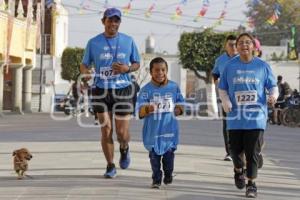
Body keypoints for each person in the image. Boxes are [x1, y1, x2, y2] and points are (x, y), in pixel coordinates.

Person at [80, 7, 140, 178]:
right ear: (103, 21)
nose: (113, 23)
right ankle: (110, 165)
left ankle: (124, 147)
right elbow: (84, 64)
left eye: (116, 20)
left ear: (119, 22)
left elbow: (137, 63)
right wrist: (85, 73)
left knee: (121, 133)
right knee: (106, 128)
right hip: (101, 89)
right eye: (110, 20)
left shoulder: (128, 41)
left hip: (123, 89)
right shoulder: (93, 42)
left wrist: (127, 68)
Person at [218, 33, 278, 198]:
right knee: (235, 152)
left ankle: (251, 184)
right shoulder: (229, 66)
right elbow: (222, 88)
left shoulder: (262, 66)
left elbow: (273, 86)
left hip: (256, 117)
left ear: (253, 46)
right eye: (241, 43)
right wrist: (225, 101)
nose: (244, 45)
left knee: (252, 153)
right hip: (235, 118)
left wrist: (273, 96)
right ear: (236, 47)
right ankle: (238, 170)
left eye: (248, 42)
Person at [136, 57, 184, 189]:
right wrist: (147, 109)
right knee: (154, 158)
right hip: (153, 131)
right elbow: (139, 110)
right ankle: (156, 178)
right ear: (151, 72)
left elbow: (181, 101)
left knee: (168, 158)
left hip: (169, 130)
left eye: (163, 70)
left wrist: (179, 109)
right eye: (156, 70)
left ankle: (168, 174)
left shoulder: (174, 87)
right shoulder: (146, 90)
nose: (160, 73)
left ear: (166, 70)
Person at [212, 34, 238, 161]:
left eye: (235, 44)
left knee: (244, 124)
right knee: (227, 124)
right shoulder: (220, 60)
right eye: (230, 44)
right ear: (226, 46)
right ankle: (230, 152)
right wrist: (217, 84)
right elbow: (215, 74)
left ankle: (244, 150)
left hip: (242, 98)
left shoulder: (243, 58)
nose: (233, 47)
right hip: (226, 97)